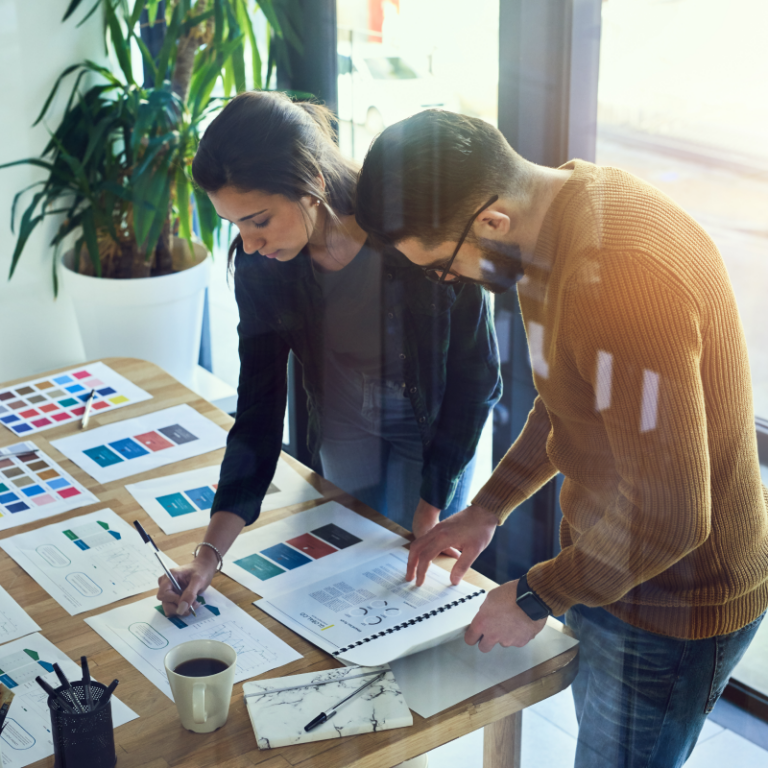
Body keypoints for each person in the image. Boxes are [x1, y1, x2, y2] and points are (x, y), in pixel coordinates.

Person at [354, 109, 768, 768]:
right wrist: (489, 507)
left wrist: (532, 595)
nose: (448, 282)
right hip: (614, 567)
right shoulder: (557, 221)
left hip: (674, 600)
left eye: (441, 264)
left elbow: (674, 517)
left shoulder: (620, 276)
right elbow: (568, 401)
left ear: (490, 221)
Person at [156, 93, 501, 619]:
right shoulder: (262, 268)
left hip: (430, 430)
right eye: (237, 226)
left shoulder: (411, 226)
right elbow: (258, 413)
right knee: (350, 587)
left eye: (259, 220)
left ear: (310, 183)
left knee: (417, 595)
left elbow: (477, 378)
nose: (249, 243)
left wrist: (431, 506)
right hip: (343, 427)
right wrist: (208, 558)